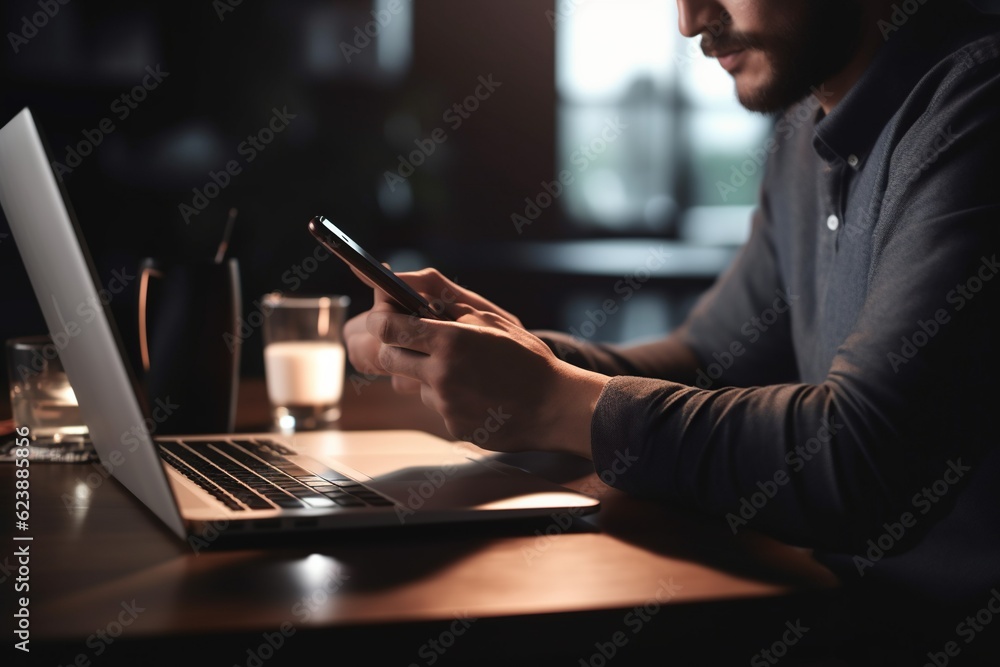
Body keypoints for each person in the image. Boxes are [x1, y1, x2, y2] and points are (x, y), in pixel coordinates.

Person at [345, 0, 1000, 659]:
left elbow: (863, 457)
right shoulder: (805, 133)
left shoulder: (977, 99)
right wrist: (518, 354)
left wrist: (547, 398)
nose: (689, 22)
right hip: (834, 608)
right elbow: (709, 360)